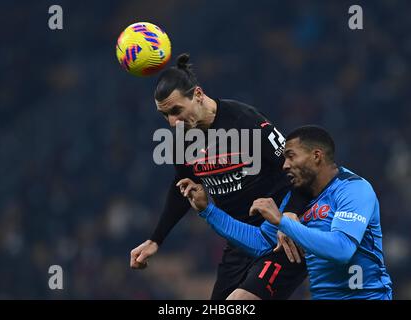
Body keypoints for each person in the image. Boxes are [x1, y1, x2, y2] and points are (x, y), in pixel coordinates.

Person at [130, 53, 310, 300]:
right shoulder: (183, 140)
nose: (172, 122)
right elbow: (183, 187)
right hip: (237, 237)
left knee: (240, 302)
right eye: (165, 115)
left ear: (198, 95)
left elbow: (298, 171)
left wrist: (290, 217)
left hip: (279, 232)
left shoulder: (244, 120)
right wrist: (155, 240)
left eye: (176, 110)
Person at [178, 125, 393, 299]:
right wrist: (208, 210)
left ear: (316, 156)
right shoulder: (296, 199)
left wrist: (283, 221)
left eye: (291, 156)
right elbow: (263, 243)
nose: (284, 165)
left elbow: (342, 249)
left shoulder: (353, 189)